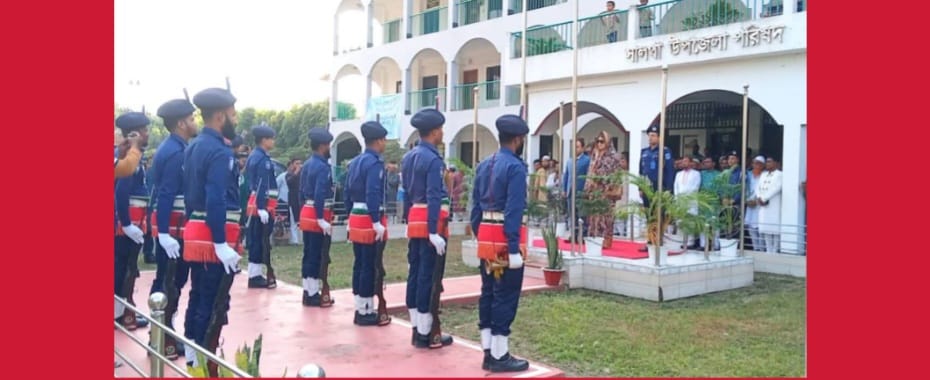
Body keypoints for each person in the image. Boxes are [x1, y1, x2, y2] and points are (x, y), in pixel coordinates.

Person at [182, 87, 242, 371]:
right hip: (212, 235)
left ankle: (193, 354)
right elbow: (216, 197)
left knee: (198, 295)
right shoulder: (218, 150)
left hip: (197, 230)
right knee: (214, 299)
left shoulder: (194, 145)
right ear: (220, 116)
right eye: (232, 114)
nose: (235, 119)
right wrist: (220, 243)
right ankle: (205, 360)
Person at [470, 114, 531, 373]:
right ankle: (499, 354)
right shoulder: (516, 168)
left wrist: (480, 234)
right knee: (506, 294)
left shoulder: (484, 164)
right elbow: (514, 209)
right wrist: (514, 247)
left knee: (488, 291)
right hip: (505, 239)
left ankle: (488, 350)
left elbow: (475, 207)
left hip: (486, 235)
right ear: (518, 139)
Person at [148, 98, 197, 360]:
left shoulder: (177, 147)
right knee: (169, 280)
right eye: (191, 119)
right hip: (174, 227)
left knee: (172, 280)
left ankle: (162, 332)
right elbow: (167, 193)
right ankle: (161, 337)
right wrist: (165, 233)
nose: (194, 122)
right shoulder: (176, 152)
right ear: (181, 123)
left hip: (176, 226)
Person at [401, 108, 454, 349]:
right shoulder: (433, 159)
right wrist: (433, 231)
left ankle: (417, 327)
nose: (442, 133)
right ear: (434, 132)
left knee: (415, 273)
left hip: (415, 218)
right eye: (440, 129)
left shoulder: (409, 157)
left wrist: (407, 221)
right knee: (429, 275)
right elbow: (433, 195)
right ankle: (426, 331)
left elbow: (407, 193)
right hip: (430, 220)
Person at [345, 121, 390, 326]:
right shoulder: (374, 163)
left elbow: (347, 191)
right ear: (378, 141)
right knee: (370, 265)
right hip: (369, 217)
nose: (385, 144)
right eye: (384, 140)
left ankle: (359, 306)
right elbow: (373, 193)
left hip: (356, 215)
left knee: (359, 263)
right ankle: (366, 310)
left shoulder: (355, 162)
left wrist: (349, 216)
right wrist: (375, 220)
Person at [114, 111, 152, 331]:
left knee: (128, 268)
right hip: (126, 223)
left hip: (133, 221)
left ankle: (124, 311)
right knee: (123, 269)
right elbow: (121, 192)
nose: (147, 134)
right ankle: (120, 315)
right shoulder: (129, 157)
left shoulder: (132, 156)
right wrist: (127, 223)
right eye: (144, 130)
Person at [299, 128, 335, 307]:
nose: (329, 148)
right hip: (317, 213)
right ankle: (313, 293)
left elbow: (300, 191)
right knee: (316, 254)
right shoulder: (322, 167)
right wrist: (321, 218)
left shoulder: (307, 164)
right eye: (328, 145)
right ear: (322, 146)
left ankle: (308, 289)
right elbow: (320, 193)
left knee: (308, 253)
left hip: (307, 211)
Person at [245, 125, 279, 289]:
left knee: (258, 239)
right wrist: (261, 207)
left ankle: (256, 273)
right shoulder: (261, 159)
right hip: (261, 205)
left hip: (260, 205)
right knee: (259, 240)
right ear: (264, 140)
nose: (273, 142)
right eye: (271, 138)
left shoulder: (256, 156)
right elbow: (261, 185)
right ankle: (255, 275)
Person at [638, 125, 675, 252]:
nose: (650, 138)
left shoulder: (665, 151)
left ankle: (658, 240)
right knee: (649, 214)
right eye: (649, 135)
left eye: (653, 135)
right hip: (647, 187)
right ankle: (650, 240)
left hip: (659, 187)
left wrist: (668, 189)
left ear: (659, 137)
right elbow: (641, 171)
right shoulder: (644, 152)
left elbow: (669, 171)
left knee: (659, 214)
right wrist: (640, 187)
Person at [585, 131, 623, 249]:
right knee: (593, 217)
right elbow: (589, 173)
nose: (599, 144)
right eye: (598, 141)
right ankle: (594, 238)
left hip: (607, 192)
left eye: (602, 141)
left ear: (607, 142)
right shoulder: (594, 155)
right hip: (594, 192)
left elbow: (613, 175)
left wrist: (599, 178)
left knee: (606, 218)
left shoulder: (613, 157)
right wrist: (587, 188)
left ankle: (606, 240)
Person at [562, 138, 589, 243]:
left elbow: (588, 176)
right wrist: (564, 189)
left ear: (582, 148)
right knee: (571, 215)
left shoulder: (587, 160)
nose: (575, 149)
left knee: (582, 215)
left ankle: (582, 235)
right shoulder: (569, 160)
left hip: (581, 192)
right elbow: (566, 176)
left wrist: (587, 190)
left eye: (577, 147)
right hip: (570, 192)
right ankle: (573, 234)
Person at [755, 157, 783, 253]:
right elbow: (757, 187)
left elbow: (777, 188)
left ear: (776, 163)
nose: (767, 164)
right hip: (763, 205)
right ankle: (768, 249)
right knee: (765, 228)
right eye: (766, 162)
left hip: (774, 204)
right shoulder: (763, 174)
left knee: (775, 229)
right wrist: (759, 197)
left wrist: (764, 198)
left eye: (770, 162)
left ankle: (775, 250)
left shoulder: (780, 174)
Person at [674, 156, 701, 249]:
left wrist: (686, 197)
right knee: (681, 221)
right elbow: (676, 186)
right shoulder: (678, 174)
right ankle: (683, 241)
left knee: (690, 221)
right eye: (683, 161)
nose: (684, 163)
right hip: (680, 201)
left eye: (686, 161)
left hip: (690, 200)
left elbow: (695, 186)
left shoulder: (696, 174)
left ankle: (690, 242)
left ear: (691, 163)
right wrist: (677, 197)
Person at [744, 156, 766, 251]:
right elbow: (743, 187)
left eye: (759, 163)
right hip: (749, 203)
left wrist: (757, 201)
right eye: (755, 163)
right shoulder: (747, 174)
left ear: (763, 165)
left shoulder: (765, 175)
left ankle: (761, 248)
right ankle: (756, 248)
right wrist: (746, 200)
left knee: (760, 227)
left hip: (760, 204)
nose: (756, 165)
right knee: (751, 227)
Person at [286, 158, 303, 245]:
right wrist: (296, 172)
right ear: (292, 164)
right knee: (293, 220)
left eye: (300, 163)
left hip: (301, 199)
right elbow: (289, 182)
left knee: (301, 219)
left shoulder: (302, 175)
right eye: (296, 163)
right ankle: (295, 240)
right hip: (293, 200)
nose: (299, 165)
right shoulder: (289, 174)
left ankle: (302, 239)